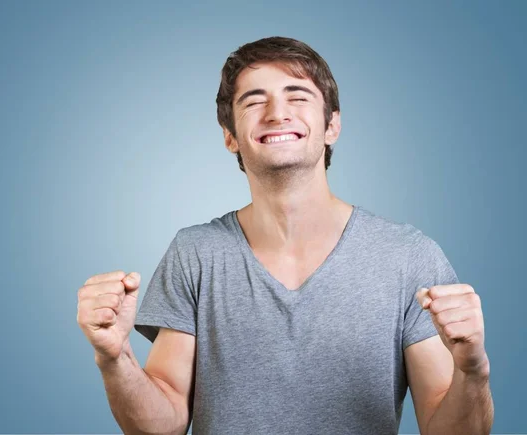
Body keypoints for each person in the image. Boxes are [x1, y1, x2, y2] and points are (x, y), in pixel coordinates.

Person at [77, 36, 494, 435]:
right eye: (254, 100)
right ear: (230, 137)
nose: (277, 113)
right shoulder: (195, 253)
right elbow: (160, 426)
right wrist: (115, 358)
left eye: (298, 96)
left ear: (332, 126)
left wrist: (473, 371)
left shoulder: (408, 257)